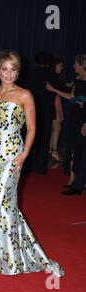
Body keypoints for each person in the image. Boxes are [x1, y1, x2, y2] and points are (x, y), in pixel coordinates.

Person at [0, 50, 64, 277]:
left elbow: (32, 129)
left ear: (18, 72)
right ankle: (4, 252)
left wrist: (24, 154)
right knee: (2, 204)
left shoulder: (25, 95)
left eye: (13, 70)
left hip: (11, 154)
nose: (9, 74)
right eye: (5, 69)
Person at [46, 54, 86, 195]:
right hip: (75, 116)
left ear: (82, 66)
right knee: (73, 147)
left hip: (84, 117)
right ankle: (72, 180)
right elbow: (72, 97)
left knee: (81, 149)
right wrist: (54, 90)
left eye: (76, 64)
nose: (74, 66)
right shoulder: (77, 80)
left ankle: (80, 182)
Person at [27, 52, 69, 174]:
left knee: (30, 137)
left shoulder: (30, 74)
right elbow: (64, 89)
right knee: (44, 139)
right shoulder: (50, 75)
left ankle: (28, 167)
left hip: (31, 109)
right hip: (46, 110)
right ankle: (40, 168)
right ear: (48, 63)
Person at [49, 57, 65, 162]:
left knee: (55, 127)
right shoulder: (53, 77)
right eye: (60, 66)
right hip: (54, 103)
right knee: (57, 126)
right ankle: (53, 150)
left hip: (56, 102)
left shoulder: (54, 77)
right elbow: (61, 88)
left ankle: (51, 150)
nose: (62, 68)